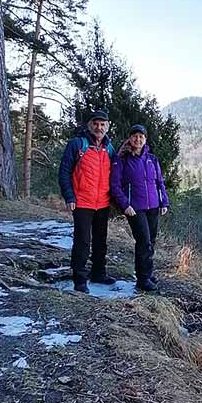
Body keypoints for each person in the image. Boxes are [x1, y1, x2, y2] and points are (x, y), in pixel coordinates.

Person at [58, 110, 117, 293]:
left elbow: (116, 173)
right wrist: (69, 197)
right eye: (96, 124)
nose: (99, 128)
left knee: (101, 241)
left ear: (107, 127)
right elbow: (64, 172)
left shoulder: (110, 148)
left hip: (103, 202)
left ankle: (99, 273)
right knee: (82, 241)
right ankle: (80, 280)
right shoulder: (77, 144)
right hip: (82, 202)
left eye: (102, 124)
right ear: (89, 125)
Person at [110, 123, 169, 293]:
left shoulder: (152, 159)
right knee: (143, 241)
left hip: (153, 206)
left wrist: (164, 201)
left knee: (151, 241)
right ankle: (142, 279)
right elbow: (115, 185)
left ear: (145, 139)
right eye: (134, 136)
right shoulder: (122, 160)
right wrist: (125, 205)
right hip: (135, 208)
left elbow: (159, 182)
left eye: (141, 136)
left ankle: (147, 273)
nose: (138, 139)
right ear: (130, 139)